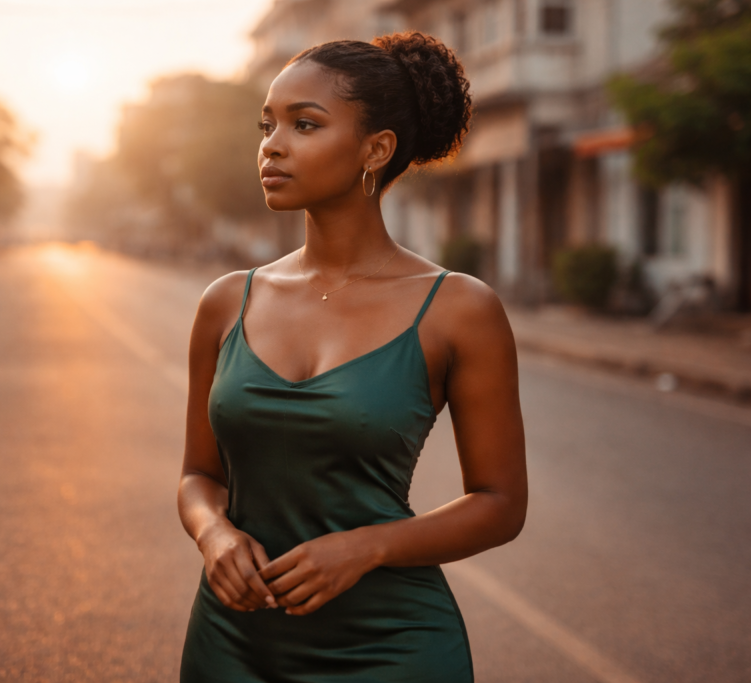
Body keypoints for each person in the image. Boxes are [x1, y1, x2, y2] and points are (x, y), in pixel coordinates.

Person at [178, 32, 527, 682]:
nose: (272, 145)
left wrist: (369, 546)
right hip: (232, 641)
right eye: (268, 125)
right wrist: (214, 534)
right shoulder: (226, 302)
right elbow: (199, 475)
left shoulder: (459, 309)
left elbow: (500, 501)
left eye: (304, 124)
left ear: (377, 149)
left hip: (392, 645)